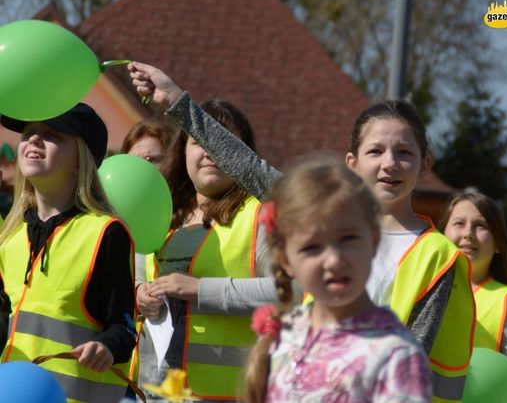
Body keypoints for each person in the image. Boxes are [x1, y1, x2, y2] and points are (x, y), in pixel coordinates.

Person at [127, 61, 476, 402]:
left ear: (424, 164)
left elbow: (412, 362)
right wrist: (177, 102)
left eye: (404, 153)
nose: (389, 163)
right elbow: (251, 167)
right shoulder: (321, 216)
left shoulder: (437, 256)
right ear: (352, 162)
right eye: (375, 151)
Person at [243, 154, 432, 402]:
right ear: (286, 260)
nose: (334, 260)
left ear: (374, 239)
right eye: (312, 247)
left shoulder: (395, 355)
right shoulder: (284, 333)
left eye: (347, 239)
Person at [134, 99, 286, 402]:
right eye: (198, 142)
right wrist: (140, 295)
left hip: (229, 394)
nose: (209, 152)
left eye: (223, 141)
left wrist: (202, 290)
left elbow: (288, 293)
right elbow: (137, 277)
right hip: (154, 392)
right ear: (182, 151)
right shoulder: (160, 214)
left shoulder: (261, 215)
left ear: (242, 155)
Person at [0, 103, 137, 403]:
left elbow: (124, 327)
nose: (34, 139)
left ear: (80, 160)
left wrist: (107, 347)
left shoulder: (105, 233)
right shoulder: (10, 237)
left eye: (51, 135)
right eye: (29, 132)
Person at [439, 191, 507, 401]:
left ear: (498, 245)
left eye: (481, 226)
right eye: (459, 223)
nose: (468, 233)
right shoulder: (425, 289)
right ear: (442, 235)